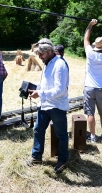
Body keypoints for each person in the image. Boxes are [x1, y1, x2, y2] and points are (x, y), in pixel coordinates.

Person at [25, 38, 70, 174]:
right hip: (44, 104)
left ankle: (63, 160)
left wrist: (41, 93)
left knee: (61, 134)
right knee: (38, 130)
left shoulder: (59, 65)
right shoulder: (47, 63)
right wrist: (35, 88)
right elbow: (45, 83)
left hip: (56, 105)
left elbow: (60, 90)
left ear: (50, 51)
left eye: (41, 54)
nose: (39, 57)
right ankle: (36, 156)